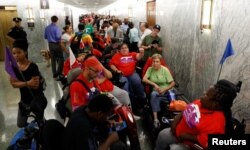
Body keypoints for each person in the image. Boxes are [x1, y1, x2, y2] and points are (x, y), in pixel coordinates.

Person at [155, 79, 239, 150]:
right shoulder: (202, 102)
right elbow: (186, 109)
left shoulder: (217, 122)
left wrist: (186, 137)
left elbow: (206, 141)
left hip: (189, 145)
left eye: (206, 94)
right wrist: (175, 122)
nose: (203, 93)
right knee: (162, 135)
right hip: (177, 132)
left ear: (215, 104)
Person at [9, 39, 47, 128]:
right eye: (14, 53)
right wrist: (27, 83)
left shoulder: (33, 66)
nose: (16, 55)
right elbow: (13, 84)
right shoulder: (14, 67)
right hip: (24, 101)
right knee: (21, 124)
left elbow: (35, 86)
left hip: (36, 99)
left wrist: (21, 83)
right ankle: (32, 128)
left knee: (41, 123)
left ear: (25, 52)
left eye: (19, 52)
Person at [109, 43, 146, 114]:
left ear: (128, 49)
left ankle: (142, 100)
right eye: (122, 48)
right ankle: (128, 107)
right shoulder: (117, 56)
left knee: (137, 82)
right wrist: (117, 70)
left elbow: (138, 57)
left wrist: (141, 52)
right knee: (125, 89)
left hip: (132, 73)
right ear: (119, 50)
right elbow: (111, 65)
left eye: (126, 47)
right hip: (122, 75)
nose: (124, 49)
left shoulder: (132, 54)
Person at [142, 54, 175, 128]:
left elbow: (173, 83)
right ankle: (156, 119)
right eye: (153, 61)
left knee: (175, 97)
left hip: (166, 91)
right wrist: (154, 85)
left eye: (157, 61)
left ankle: (173, 118)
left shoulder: (165, 70)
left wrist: (164, 89)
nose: (155, 63)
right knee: (153, 94)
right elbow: (144, 79)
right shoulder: (150, 69)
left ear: (160, 62)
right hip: (156, 92)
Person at [44, 15, 64, 80]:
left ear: (51, 20)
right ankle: (59, 72)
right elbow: (58, 37)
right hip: (56, 44)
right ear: (57, 20)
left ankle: (54, 73)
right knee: (61, 58)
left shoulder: (47, 28)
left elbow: (45, 37)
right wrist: (61, 35)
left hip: (50, 44)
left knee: (53, 59)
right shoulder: (57, 28)